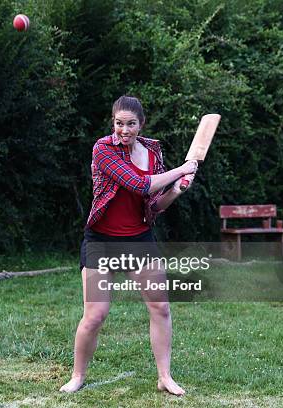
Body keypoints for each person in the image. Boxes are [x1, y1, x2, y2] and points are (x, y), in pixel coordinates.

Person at [60, 96, 198, 395]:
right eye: (119, 123)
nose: (124, 130)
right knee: (95, 315)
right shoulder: (103, 149)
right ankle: (77, 375)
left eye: (131, 124)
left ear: (141, 124)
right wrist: (182, 169)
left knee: (160, 307)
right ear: (113, 123)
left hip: (138, 239)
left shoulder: (151, 152)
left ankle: (164, 377)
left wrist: (176, 190)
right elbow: (140, 184)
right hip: (102, 241)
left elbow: (155, 203)